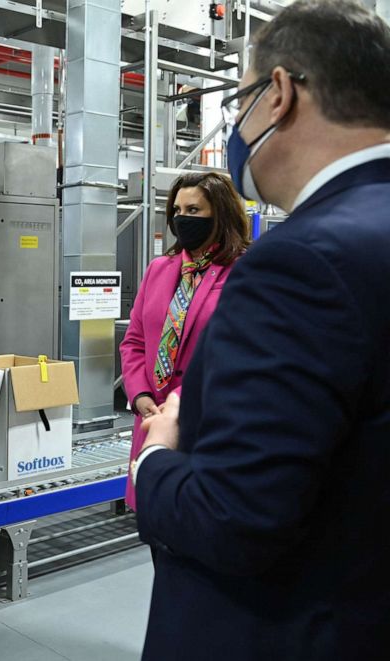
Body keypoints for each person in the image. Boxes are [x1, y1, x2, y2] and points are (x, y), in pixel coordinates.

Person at [132, 1, 390, 658]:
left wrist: (156, 456)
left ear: (277, 93)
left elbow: (235, 519)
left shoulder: (301, 260)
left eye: (241, 98)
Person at [119, 172, 249, 510]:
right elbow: (134, 341)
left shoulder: (245, 272)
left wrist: (179, 401)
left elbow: (241, 352)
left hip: (207, 421)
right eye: (177, 210)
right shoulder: (159, 269)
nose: (182, 219)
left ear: (219, 214)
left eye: (194, 210)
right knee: (154, 522)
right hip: (151, 421)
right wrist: (140, 394)